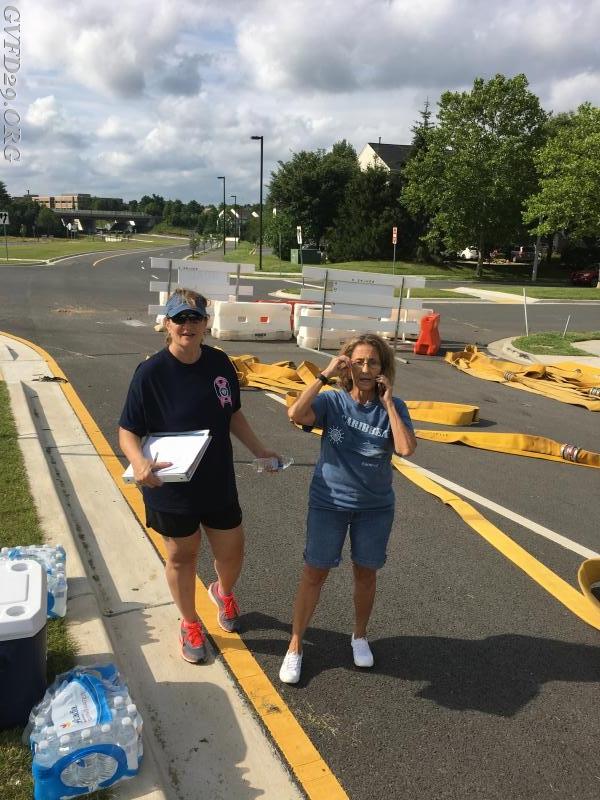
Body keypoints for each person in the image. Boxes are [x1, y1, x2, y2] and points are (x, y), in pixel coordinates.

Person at [118, 288, 279, 664]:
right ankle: (190, 622)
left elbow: (232, 413)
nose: (187, 326)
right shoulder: (150, 373)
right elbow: (127, 430)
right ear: (167, 325)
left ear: (205, 323)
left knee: (232, 549)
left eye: (194, 318)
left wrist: (258, 448)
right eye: (179, 319)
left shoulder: (220, 364)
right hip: (169, 485)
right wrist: (139, 462)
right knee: (182, 556)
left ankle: (222, 591)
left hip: (216, 480)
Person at [279, 333, 417, 684]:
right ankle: (295, 646)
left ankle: (359, 636)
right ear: (348, 366)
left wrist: (387, 404)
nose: (366, 368)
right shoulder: (333, 403)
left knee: (365, 573)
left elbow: (404, 449)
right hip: (330, 504)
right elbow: (296, 413)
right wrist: (325, 373)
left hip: (375, 508)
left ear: (383, 369)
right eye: (358, 362)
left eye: (373, 362)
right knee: (315, 572)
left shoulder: (394, 408)